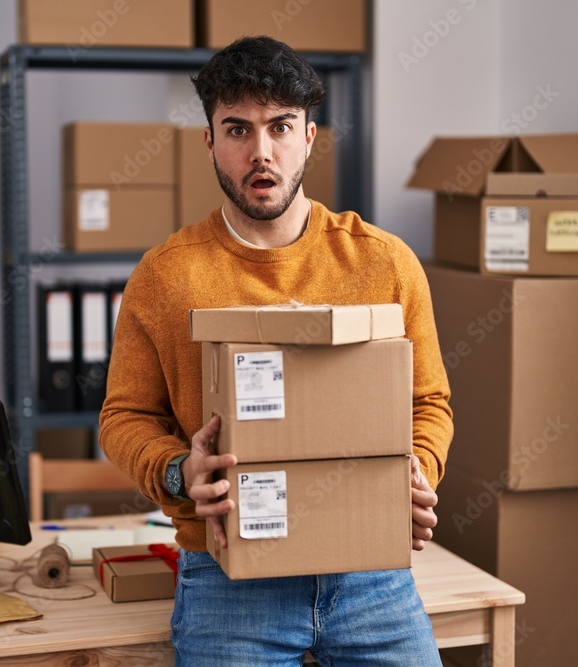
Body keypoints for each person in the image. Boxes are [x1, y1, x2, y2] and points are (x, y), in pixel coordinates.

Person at [99, 35, 452, 666]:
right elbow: (124, 418)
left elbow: (429, 401)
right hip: (228, 576)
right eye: (237, 129)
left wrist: (418, 469)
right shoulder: (165, 276)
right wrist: (181, 473)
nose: (261, 153)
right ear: (209, 141)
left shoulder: (383, 263)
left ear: (309, 137)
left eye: (280, 127)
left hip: (369, 572)